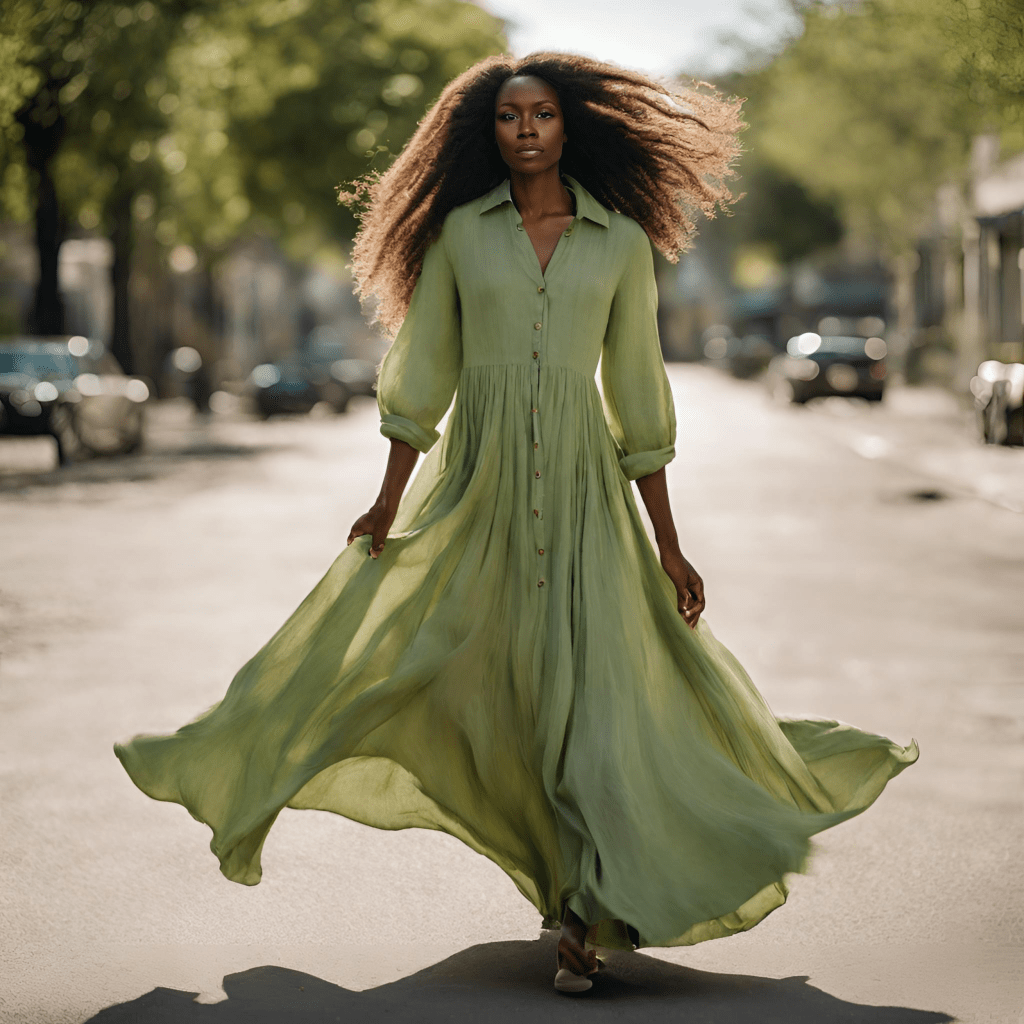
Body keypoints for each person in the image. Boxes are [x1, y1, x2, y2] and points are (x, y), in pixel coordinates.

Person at [115, 53, 918, 996]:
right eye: (508, 116)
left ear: (570, 126)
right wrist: (388, 495)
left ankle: (581, 916)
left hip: (585, 499)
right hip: (480, 491)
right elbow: (426, 371)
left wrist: (667, 543)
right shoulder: (460, 234)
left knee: (596, 703)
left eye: (541, 114)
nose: (525, 129)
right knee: (445, 678)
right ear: (486, 130)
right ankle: (252, 771)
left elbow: (637, 394)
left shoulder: (620, 243)